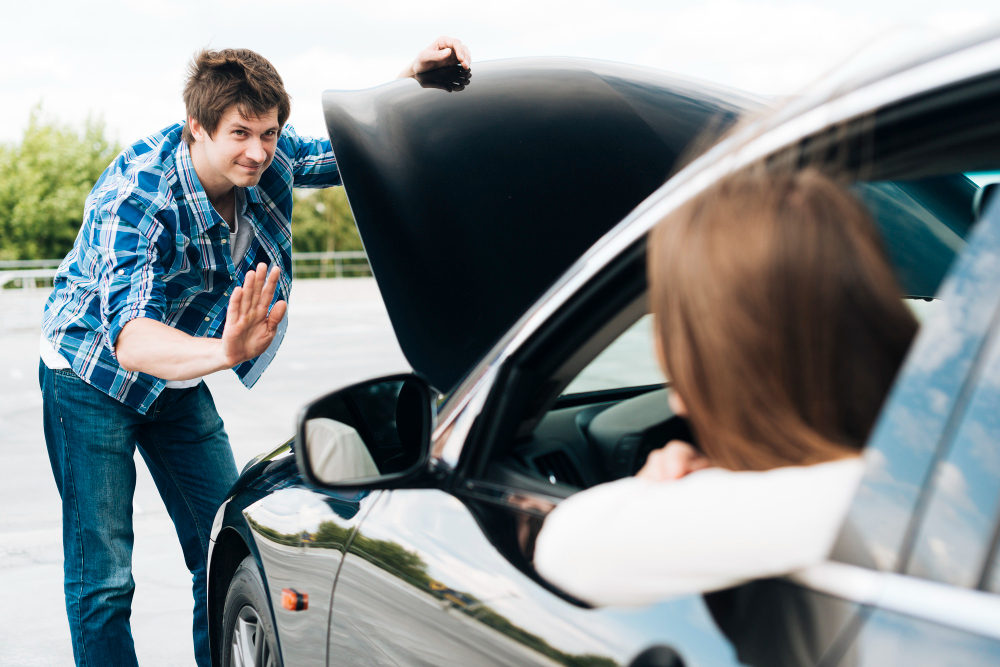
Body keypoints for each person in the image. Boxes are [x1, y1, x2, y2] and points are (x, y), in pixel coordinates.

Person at [39, 37, 471, 667]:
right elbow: (131, 339)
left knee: (219, 546)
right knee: (104, 580)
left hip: (177, 376)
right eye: (240, 134)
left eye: (268, 134)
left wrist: (411, 78)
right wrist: (225, 349)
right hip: (89, 376)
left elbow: (352, 152)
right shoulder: (138, 196)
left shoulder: (270, 159)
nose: (258, 152)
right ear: (197, 126)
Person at [533, 168, 918, 607]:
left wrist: (670, 490)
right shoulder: (925, 466)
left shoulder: (840, 499)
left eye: (671, 320)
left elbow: (567, 548)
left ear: (708, 355)